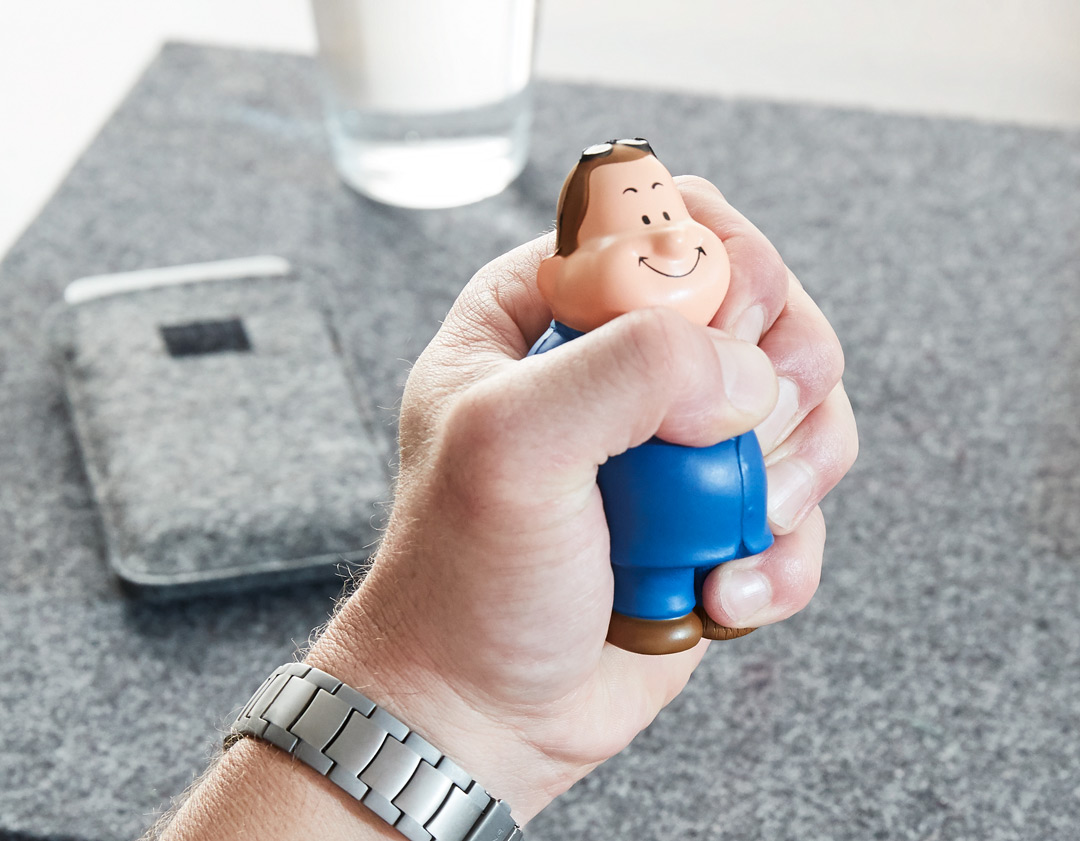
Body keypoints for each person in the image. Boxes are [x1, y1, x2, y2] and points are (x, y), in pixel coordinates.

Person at [148, 171, 858, 841]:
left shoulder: (704, 341)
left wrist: (467, 714)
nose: (672, 239)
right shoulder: (562, 363)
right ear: (561, 280)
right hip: (642, 551)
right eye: (640, 221)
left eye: (667, 216)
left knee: (734, 568)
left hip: (719, 529)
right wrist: (453, 698)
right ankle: (658, 605)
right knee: (658, 583)